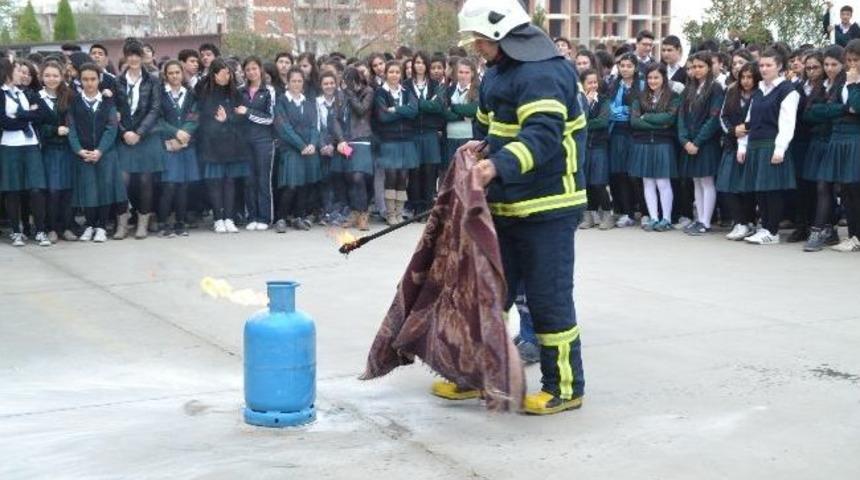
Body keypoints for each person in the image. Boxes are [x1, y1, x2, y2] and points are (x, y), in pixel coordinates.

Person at [442, 0, 588, 415]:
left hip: (548, 206)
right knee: (487, 295)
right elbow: (491, 128)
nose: (475, 48)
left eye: (480, 40)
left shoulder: (544, 72)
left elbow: (542, 137)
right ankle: (476, 376)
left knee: (548, 299)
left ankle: (564, 387)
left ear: (503, 32)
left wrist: (494, 165)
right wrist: (481, 147)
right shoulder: (497, 73)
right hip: (506, 204)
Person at [738, 48, 800, 245]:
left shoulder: (787, 90)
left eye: (768, 65)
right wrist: (742, 144)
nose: (764, 69)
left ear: (779, 66)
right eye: (761, 65)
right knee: (760, 189)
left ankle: (772, 231)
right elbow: (749, 121)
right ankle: (764, 227)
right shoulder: (758, 91)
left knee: (772, 190)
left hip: (771, 145)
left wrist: (780, 148)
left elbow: (787, 122)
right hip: (755, 144)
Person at [67, 63, 126, 243]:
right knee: (88, 190)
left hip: (105, 154)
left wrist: (100, 150)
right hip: (83, 154)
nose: (89, 83)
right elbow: (71, 128)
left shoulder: (108, 101)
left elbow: (111, 128)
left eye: (93, 79)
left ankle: (101, 227)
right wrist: (79, 150)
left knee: (105, 189)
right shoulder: (74, 102)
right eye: (85, 79)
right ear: (80, 80)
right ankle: (90, 225)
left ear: (99, 79)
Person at [115, 39, 163, 240]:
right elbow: (114, 111)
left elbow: (155, 109)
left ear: (142, 57)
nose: (134, 58)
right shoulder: (117, 81)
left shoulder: (153, 80)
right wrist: (125, 131)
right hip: (125, 136)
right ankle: (122, 223)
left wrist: (140, 132)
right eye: (130, 54)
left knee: (145, 180)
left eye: (137, 54)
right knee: (123, 179)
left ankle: (143, 221)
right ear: (125, 56)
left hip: (147, 136)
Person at [196, 58, 249, 234]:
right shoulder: (204, 91)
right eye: (224, 73)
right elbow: (202, 117)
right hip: (211, 143)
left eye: (229, 73)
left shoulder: (235, 93)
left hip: (232, 143)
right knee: (215, 182)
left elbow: (242, 116)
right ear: (214, 74)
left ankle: (229, 218)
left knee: (230, 182)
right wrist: (217, 121)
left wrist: (228, 119)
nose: (227, 76)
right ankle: (218, 218)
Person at [1, 58, 49, 247]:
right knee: (12, 190)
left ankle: (40, 230)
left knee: (36, 189)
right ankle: (16, 231)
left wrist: (21, 115)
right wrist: (26, 116)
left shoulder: (27, 92)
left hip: (30, 144)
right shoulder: (1, 93)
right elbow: (4, 122)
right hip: (8, 145)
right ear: (7, 72)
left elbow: (41, 115)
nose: (21, 73)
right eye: (17, 70)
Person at [629, 63, 680, 232]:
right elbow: (634, 122)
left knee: (663, 182)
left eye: (656, 77)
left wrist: (647, 117)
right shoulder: (639, 96)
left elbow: (670, 119)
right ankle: (653, 217)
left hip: (663, 143)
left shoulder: (673, 97)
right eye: (649, 77)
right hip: (643, 143)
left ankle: (666, 218)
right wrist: (659, 122)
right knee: (647, 182)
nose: (652, 81)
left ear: (663, 78)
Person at [678, 51, 725, 235]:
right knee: (696, 181)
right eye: (693, 67)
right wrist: (684, 140)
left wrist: (697, 142)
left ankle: (706, 221)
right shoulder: (689, 88)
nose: (696, 70)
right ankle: (699, 218)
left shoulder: (715, 88)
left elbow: (713, 119)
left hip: (705, 143)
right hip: (690, 143)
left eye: (700, 66)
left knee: (706, 181)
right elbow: (681, 116)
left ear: (709, 67)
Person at [821, 39, 860, 252]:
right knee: (845, 189)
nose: (852, 65)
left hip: (856, 139)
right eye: (849, 60)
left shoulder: (852, 82)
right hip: (841, 138)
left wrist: (854, 86)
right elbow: (830, 108)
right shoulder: (842, 81)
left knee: (856, 188)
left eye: (856, 60)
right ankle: (853, 235)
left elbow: (856, 106)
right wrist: (846, 109)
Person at [156, 60, 200, 238]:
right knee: (169, 186)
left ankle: (181, 223)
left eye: (177, 72)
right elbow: (158, 120)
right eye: (171, 73)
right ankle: (163, 223)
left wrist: (184, 135)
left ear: (182, 74)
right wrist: (176, 133)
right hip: (168, 146)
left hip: (186, 145)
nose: (174, 76)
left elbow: (195, 116)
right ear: (165, 75)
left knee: (183, 186)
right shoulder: (159, 94)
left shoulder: (190, 94)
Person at [273, 66, 320, 232]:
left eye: (300, 81)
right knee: (291, 185)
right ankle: (280, 218)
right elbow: (284, 128)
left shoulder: (309, 103)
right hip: (291, 149)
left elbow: (315, 126)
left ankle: (299, 217)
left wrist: (313, 144)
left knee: (304, 186)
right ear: (288, 82)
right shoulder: (281, 101)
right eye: (294, 80)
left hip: (309, 150)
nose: (297, 84)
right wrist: (301, 146)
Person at [718, 62, 760, 241]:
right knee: (727, 186)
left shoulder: (760, 94)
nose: (746, 81)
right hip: (731, 145)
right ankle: (740, 222)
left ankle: (748, 223)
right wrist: (732, 130)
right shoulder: (732, 91)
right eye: (743, 77)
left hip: (751, 146)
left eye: (750, 77)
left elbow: (759, 118)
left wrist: (746, 129)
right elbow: (722, 116)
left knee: (747, 189)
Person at [373, 60, 418, 225]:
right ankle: (390, 213)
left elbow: (414, 111)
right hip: (389, 140)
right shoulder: (380, 93)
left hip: (406, 140)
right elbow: (383, 117)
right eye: (391, 72)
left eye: (397, 72)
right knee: (391, 175)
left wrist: (396, 109)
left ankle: (399, 213)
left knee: (403, 176)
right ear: (386, 74)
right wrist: (403, 112)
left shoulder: (407, 92)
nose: (394, 75)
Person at [37, 61, 77, 243]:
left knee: (68, 190)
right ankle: (52, 228)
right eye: (47, 75)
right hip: (49, 151)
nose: (51, 79)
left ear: (61, 77)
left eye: (55, 75)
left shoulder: (69, 96)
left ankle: (67, 227)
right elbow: (35, 126)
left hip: (68, 150)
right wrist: (54, 130)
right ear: (41, 77)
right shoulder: (36, 98)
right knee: (52, 191)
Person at [236, 56, 276, 231]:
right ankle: (251, 216)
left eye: (254, 68)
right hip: (245, 142)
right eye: (248, 69)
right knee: (248, 180)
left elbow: (270, 118)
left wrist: (248, 112)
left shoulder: (269, 91)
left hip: (264, 141)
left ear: (260, 69)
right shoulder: (240, 91)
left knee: (263, 179)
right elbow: (236, 113)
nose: (251, 72)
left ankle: (265, 217)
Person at [404, 51, 446, 217]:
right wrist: (424, 105)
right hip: (413, 133)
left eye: (422, 62)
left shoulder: (436, 85)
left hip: (429, 133)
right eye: (417, 62)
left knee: (429, 171)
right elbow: (408, 109)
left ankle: (428, 208)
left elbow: (438, 107)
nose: (419, 65)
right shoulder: (406, 85)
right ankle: (416, 207)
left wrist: (419, 104)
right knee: (414, 172)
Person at [339, 66, 375, 231]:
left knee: (359, 177)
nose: (344, 85)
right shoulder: (343, 94)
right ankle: (354, 212)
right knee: (349, 177)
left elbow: (361, 110)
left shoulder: (368, 91)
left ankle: (363, 214)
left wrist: (350, 93)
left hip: (362, 138)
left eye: (347, 81)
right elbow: (338, 116)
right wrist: (339, 139)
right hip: (346, 140)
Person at [607, 52, 640, 227]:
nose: (625, 69)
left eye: (629, 66)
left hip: (635, 134)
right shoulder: (613, 85)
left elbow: (637, 110)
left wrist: (622, 111)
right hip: (617, 134)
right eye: (622, 65)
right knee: (619, 175)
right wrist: (622, 111)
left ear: (635, 68)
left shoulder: (641, 85)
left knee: (634, 175)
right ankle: (626, 212)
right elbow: (610, 110)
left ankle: (641, 210)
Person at [443, 57, 479, 171]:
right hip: (450, 138)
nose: (463, 75)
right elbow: (444, 112)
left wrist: (453, 108)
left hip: (469, 138)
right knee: (452, 173)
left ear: (472, 73)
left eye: (467, 72)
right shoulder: (449, 90)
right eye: (461, 72)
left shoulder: (477, 90)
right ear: (456, 73)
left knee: (467, 173)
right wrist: (463, 115)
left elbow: (474, 110)